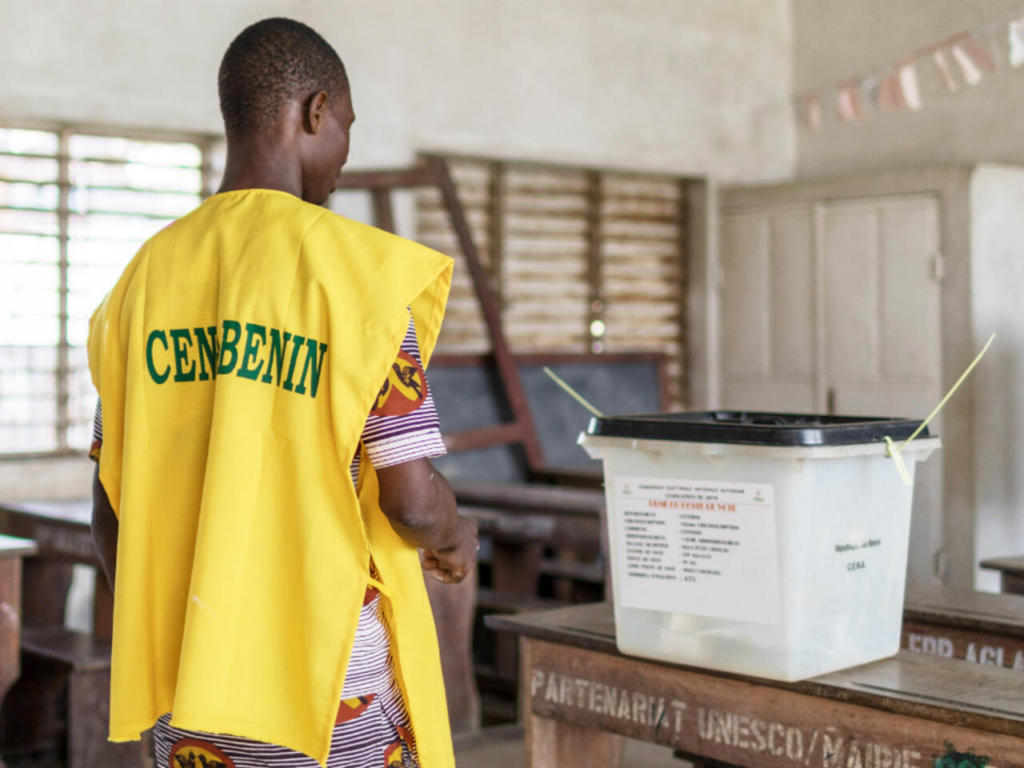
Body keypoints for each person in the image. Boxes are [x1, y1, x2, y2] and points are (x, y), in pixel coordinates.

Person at [88, 17, 476, 768]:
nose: (344, 153)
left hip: (185, 684)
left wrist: (170, 623)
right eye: (347, 127)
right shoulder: (360, 279)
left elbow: (110, 500)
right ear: (316, 111)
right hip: (329, 693)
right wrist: (456, 534)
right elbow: (412, 503)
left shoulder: (140, 282)